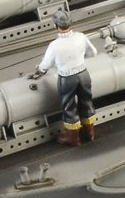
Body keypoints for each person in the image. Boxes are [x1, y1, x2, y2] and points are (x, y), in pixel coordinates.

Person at [33, 10, 98, 146]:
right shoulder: (81, 36)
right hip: (83, 74)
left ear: (56, 26)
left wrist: (39, 70)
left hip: (67, 78)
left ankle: (73, 138)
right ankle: (90, 133)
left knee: (69, 106)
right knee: (86, 101)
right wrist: (79, 59)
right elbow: (93, 52)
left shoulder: (54, 45)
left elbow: (45, 65)